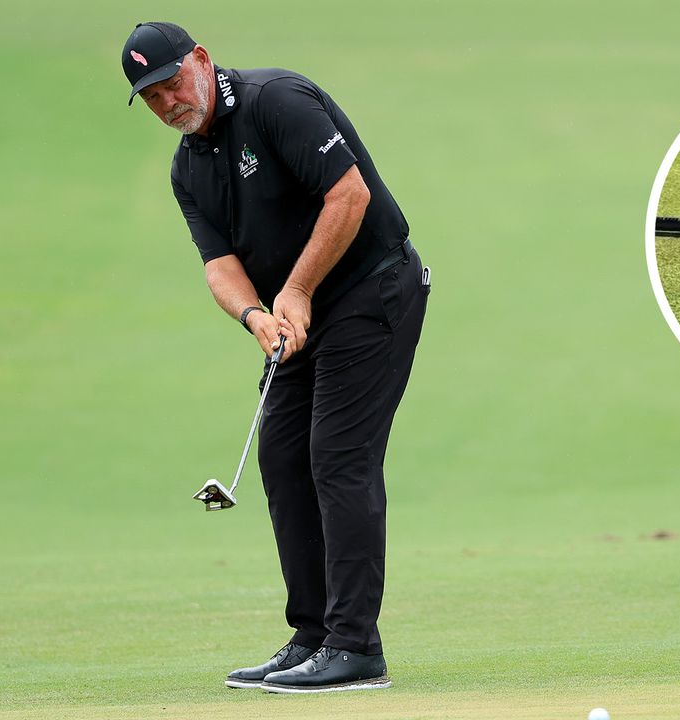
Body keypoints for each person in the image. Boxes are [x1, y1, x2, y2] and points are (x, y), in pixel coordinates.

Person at [121, 21, 428, 694]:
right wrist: (256, 315)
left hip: (371, 287)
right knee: (282, 455)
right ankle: (313, 635)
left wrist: (295, 288)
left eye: (174, 81)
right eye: (152, 96)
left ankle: (356, 647)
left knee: (337, 456)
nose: (170, 101)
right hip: (295, 310)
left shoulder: (274, 101)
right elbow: (219, 266)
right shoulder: (187, 166)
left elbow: (349, 196)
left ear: (201, 60)